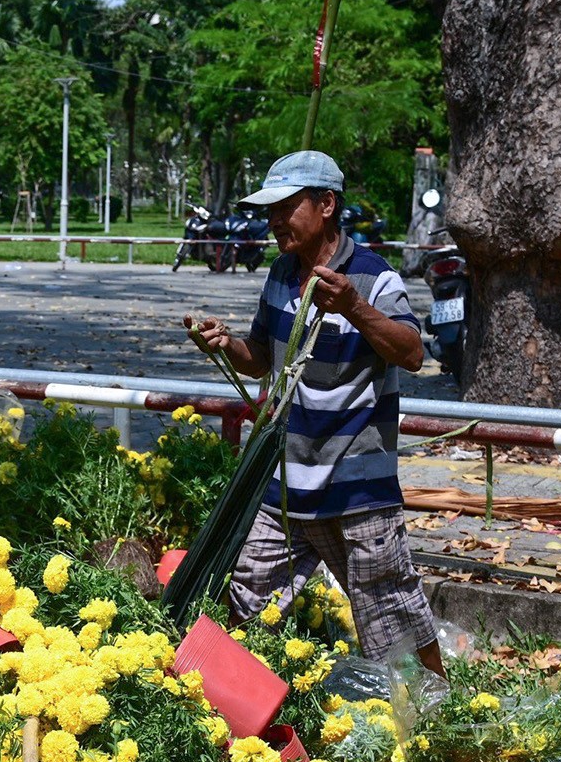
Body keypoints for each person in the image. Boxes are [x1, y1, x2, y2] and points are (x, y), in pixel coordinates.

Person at [185, 150, 442, 674]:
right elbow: (260, 358)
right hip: (283, 487)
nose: (274, 220)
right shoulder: (281, 275)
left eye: (285, 206)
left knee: (392, 616)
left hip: (357, 489)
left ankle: (443, 719)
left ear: (326, 205)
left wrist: (353, 307)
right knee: (244, 601)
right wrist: (224, 342)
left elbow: (412, 354)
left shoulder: (374, 279)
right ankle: (240, 715)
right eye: (269, 210)